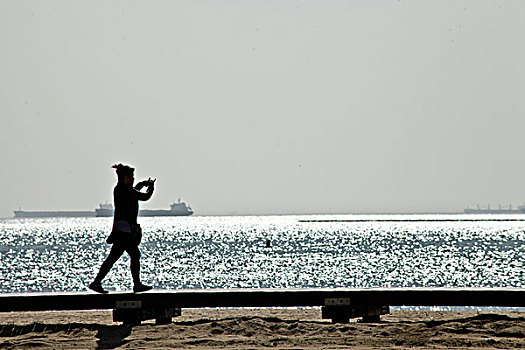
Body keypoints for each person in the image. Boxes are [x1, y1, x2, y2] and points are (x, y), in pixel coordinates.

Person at [89, 163, 155, 294]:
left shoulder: (119, 189)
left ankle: (96, 282)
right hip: (125, 231)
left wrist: (142, 184)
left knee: (113, 258)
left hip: (120, 230)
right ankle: (136, 285)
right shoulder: (126, 191)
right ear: (125, 178)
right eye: (131, 177)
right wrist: (151, 187)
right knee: (134, 255)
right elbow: (144, 196)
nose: (133, 179)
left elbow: (135, 191)